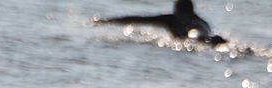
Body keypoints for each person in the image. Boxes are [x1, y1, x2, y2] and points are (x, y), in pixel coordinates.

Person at [94, 0, 226, 45]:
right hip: (204, 34)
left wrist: (107, 21)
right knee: (200, 36)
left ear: (176, 9)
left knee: (194, 36)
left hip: (195, 35)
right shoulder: (202, 21)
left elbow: (137, 19)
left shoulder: (172, 19)